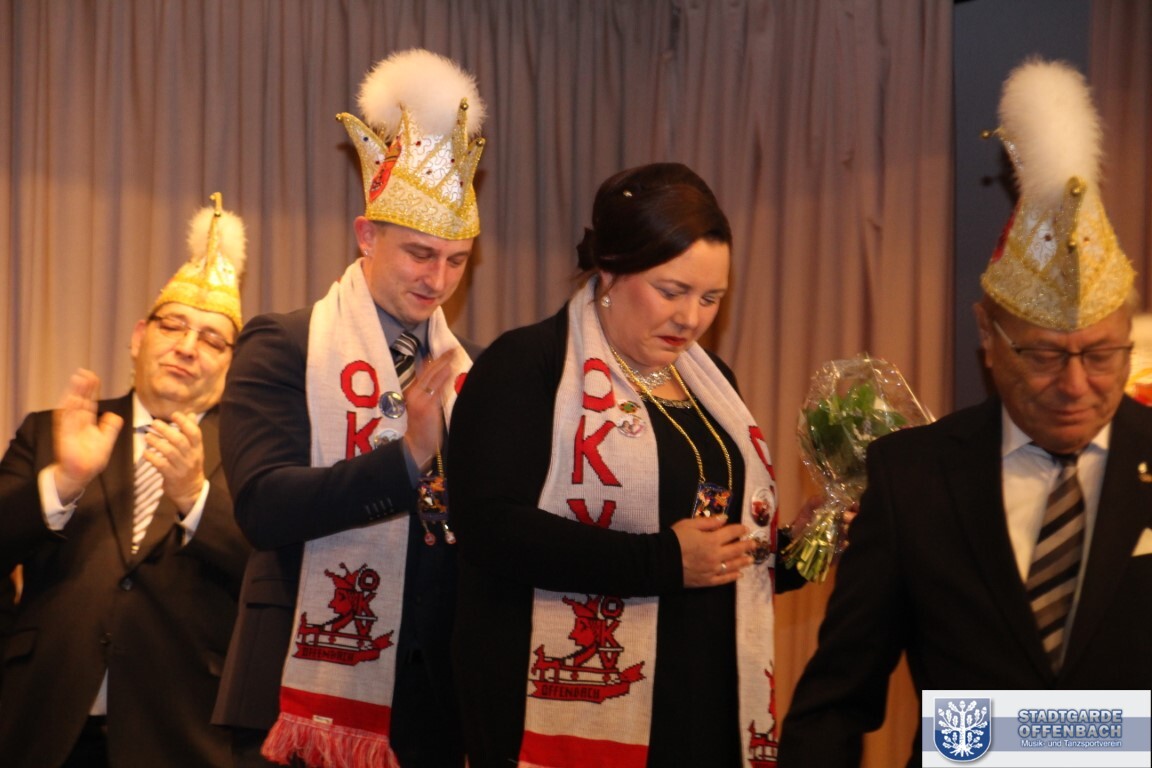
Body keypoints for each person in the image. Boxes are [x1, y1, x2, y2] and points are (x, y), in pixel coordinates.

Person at [778, 59, 1152, 768]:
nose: (1075, 385)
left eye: (1103, 355)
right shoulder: (912, 477)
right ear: (988, 335)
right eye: (1043, 356)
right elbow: (834, 703)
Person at [448, 162, 808, 768]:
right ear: (610, 270)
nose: (691, 318)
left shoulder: (713, 382)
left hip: (701, 705)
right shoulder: (529, 365)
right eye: (672, 291)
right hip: (551, 693)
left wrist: (804, 548)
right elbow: (488, 528)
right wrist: (662, 561)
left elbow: (713, 548)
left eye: (711, 298)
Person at [212, 49, 485, 768]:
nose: (439, 280)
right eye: (420, 254)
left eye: (457, 260)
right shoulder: (284, 343)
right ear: (367, 236)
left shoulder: (473, 373)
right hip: (294, 689)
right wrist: (408, 459)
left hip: (433, 704)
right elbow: (264, 506)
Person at [0, 193, 252, 767]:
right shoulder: (52, 432)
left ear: (231, 364)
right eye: (173, 326)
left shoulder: (252, 456)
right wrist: (62, 484)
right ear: (140, 336)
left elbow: (276, 575)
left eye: (212, 339)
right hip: (43, 727)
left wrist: (196, 500)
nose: (187, 347)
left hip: (185, 735)